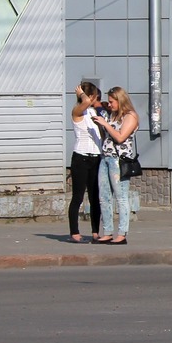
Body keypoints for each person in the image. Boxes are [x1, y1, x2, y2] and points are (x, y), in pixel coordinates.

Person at [92, 86, 140, 245]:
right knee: (104, 197)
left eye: (112, 102)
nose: (110, 104)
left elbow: (120, 137)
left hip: (119, 161)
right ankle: (107, 231)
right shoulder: (112, 115)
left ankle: (122, 233)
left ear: (120, 100)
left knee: (121, 197)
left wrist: (105, 124)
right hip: (106, 157)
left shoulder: (130, 116)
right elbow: (107, 135)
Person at [67, 82, 104, 243]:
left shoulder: (94, 112)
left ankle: (96, 232)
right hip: (80, 158)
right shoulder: (77, 111)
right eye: (94, 95)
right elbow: (86, 102)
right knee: (78, 197)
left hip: (96, 158)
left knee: (95, 197)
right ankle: (74, 232)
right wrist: (82, 95)